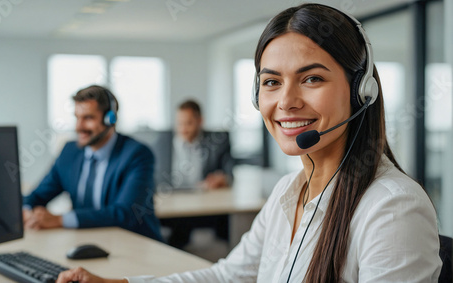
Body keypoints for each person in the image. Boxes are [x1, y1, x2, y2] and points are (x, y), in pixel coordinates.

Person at [57, 4, 442, 282]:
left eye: (311, 79)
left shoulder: (392, 207)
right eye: (271, 82)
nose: (285, 102)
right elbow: (229, 275)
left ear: (362, 91)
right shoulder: (287, 193)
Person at [23, 85, 163, 242]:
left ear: (110, 119)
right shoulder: (70, 152)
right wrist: (27, 211)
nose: (79, 127)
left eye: (88, 118)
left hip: (135, 246)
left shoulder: (136, 154)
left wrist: (59, 219)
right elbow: (37, 196)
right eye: (77, 117)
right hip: (86, 243)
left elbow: (125, 214)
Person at [151, 100, 234, 248]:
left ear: (200, 121)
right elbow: (155, 177)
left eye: (188, 123)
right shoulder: (162, 141)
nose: (183, 128)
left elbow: (229, 172)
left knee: (229, 222)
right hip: (172, 205)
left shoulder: (217, 141)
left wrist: (223, 178)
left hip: (204, 205)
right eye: (179, 123)